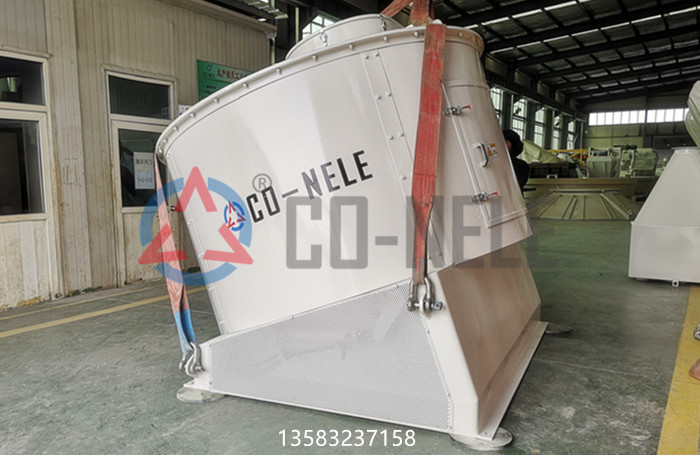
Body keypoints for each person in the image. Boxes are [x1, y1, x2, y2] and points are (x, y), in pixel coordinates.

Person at [502, 129, 530, 193]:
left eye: (506, 142)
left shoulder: (521, 165)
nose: (502, 144)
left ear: (513, 145)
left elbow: (518, 184)